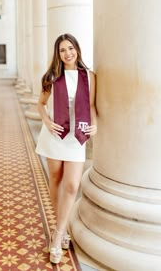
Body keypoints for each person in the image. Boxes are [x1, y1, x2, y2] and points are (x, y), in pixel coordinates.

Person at [35, 33, 97, 264]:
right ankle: (60, 227)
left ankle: (58, 233)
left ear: (77, 50)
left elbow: (91, 105)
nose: (67, 53)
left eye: (70, 48)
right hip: (55, 133)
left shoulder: (90, 77)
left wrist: (96, 125)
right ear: (58, 54)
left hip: (76, 136)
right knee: (56, 178)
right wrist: (46, 120)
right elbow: (40, 104)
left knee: (71, 185)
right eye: (62, 50)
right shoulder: (52, 76)